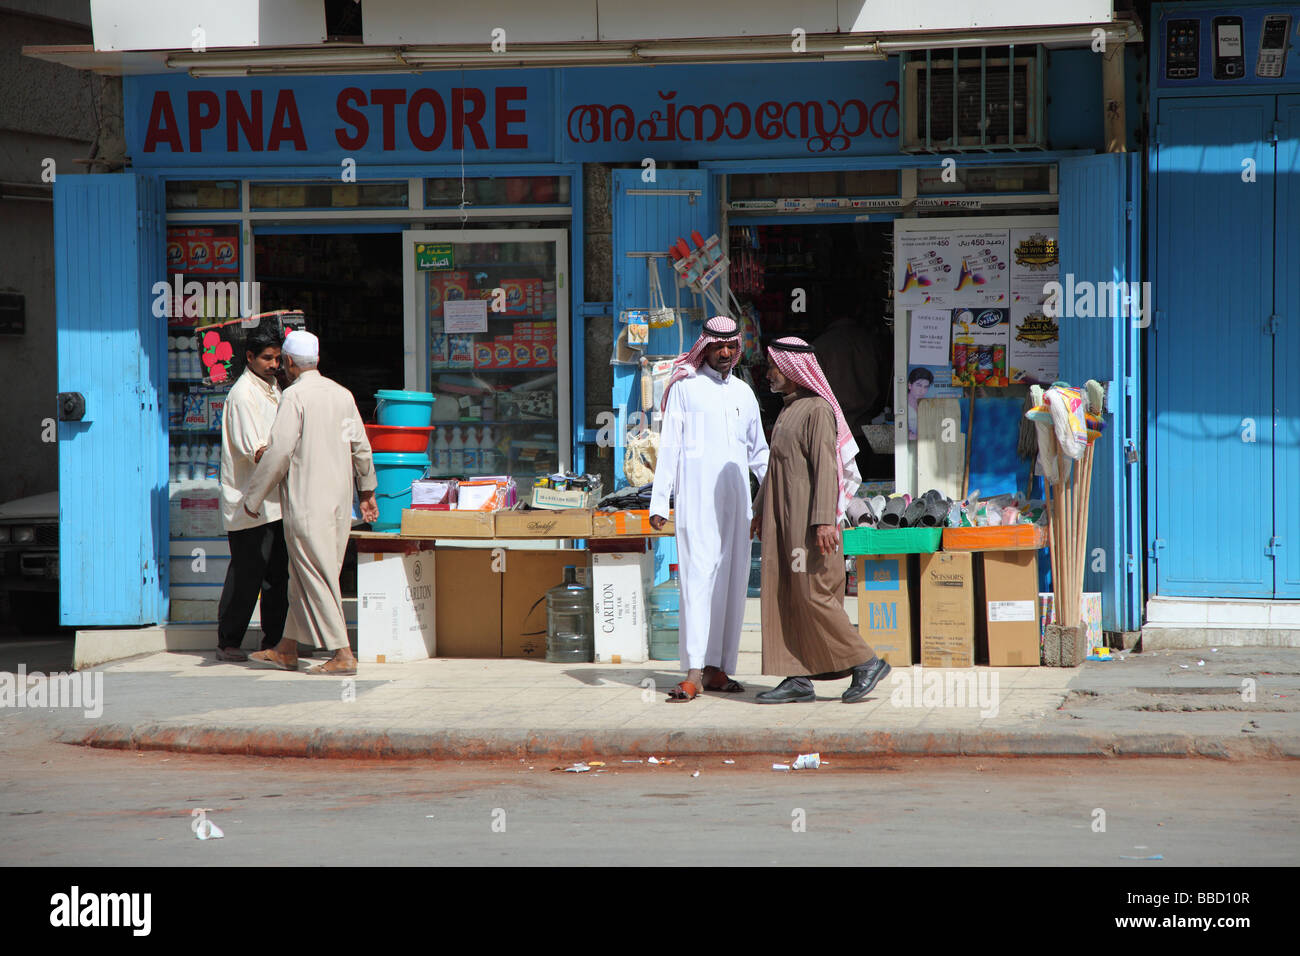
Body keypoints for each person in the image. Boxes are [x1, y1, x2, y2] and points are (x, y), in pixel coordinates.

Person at [751, 336, 891, 704]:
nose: (769, 374)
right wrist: (759, 509)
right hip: (784, 521)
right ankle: (798, 676)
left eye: (774, 367)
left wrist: (824, 522)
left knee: (814, 594)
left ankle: (866, 662)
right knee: (790, 595)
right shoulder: (788, 409)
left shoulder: (816, 410)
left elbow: (828, 471)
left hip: (810, 524)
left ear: (795, 372)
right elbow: (774, 470)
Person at [240, 330, 379, 675]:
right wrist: (367, 492)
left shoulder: (295, 397)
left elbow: (279, 452)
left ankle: (342, 653)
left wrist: (254, 496)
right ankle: (286, 649)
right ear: (317, 360)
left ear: (288, 362)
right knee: (304, 574)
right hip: (338, 502)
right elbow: (360, 446)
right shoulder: (342, 394)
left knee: (315, 575)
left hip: (307, 502)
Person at [649, 315, 769, 702]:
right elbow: (669, 448)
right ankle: (693, 671)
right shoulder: (686, 388)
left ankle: (719, 669)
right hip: (697, 502)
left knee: (733, 586)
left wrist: (773, 499)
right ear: (705, 346)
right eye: (718, 345)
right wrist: (659, 502)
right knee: (698, 584)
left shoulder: (744, 394)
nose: (725, 352)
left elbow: (760, 454)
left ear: (737, 348)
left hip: (738, 505)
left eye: (731, 346)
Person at [214, 328, 289, 662]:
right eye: (266, 358)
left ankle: (274, 642)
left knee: (276, 575)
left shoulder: (274, 387)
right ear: (249, 358)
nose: (273, 364)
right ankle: (228, 641)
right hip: (250, 500)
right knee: (247, 574)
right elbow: (256, 451)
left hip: (276, 501)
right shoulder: (243, 394)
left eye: (277, 358)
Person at [813, 304, 889, 477]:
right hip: (867, 428)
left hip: (835, 430)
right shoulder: (870, 342)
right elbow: (885, 382)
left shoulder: (821, 345)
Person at [906, 366, 934, 441]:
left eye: (926, 387)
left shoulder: (927, 405)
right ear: (909, 385)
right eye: (919, 385)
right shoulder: (903, 405)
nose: (922, 391)